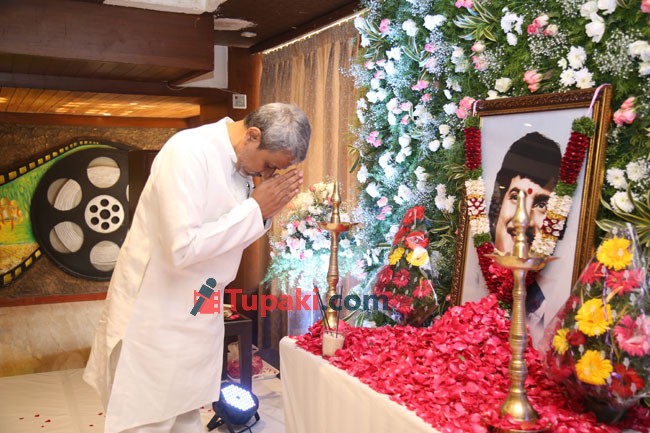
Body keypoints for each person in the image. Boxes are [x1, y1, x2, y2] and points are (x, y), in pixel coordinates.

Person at [83, 102, 311, 433]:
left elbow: (228, 235)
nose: (268, 175)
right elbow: (181, 248)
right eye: (268, 165)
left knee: (186, 413)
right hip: (157, 312)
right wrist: (255, 209)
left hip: (200, 307)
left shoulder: (242, 165)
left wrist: (261, 213)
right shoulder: (188, 152)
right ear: (252, 135)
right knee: (148, 419)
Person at [487, 131, 562, 346]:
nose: (524, 219)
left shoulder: (547, 311)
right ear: (499, 204)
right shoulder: (471, 283)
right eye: (515, 197)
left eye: (541, 204)